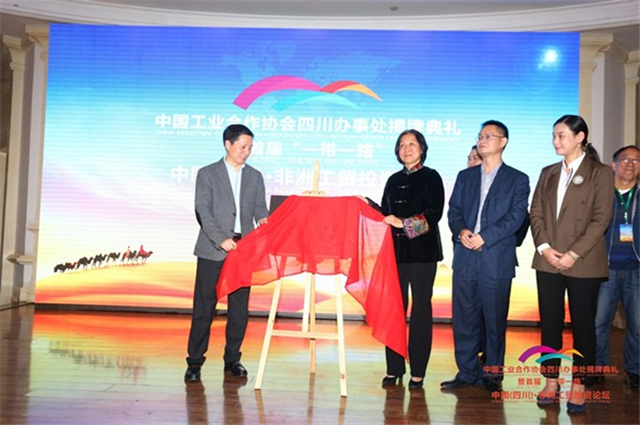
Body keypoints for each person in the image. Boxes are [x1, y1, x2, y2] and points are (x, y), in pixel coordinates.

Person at [530, 115, 614, 414]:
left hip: (584, 261)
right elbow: (536, 212)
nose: (556, 141)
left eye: (562, 135)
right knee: (549, 324)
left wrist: (573, 254)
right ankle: (551, 380)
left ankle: (579, 383)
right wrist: (544, 248)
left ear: (580, 138)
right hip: (548, 260)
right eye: (554, 135)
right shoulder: (548, 172)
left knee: (583, 326)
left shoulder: (600, 173)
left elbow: (601, 219)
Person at [442, 120, 530, 394]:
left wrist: (485, 236)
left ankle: (493, 374)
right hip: (465, 257)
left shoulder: (517, 179)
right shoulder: (465, 176)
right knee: (464, 319)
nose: (482, 140)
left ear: (503, 142)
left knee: (494, 321)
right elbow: (454, 210)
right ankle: (466, 371)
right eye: (480, 136)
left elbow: (517, 216)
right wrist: (462, 231)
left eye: (488, 136)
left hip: (496, 259)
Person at [184, 124, 269, 382]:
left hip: (243, 250)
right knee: (204, 306)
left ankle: (233, 359)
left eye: (250, 148)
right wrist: (221, 238)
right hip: (213, 248)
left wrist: (264, 219)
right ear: (228, 144)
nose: (247, 152)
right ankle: (195, 361)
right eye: (243, 147)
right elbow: (203, 211)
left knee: (239, 309)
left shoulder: (255, 176)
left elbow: (259, 208)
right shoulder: (207, 174)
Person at [371, 129, 445, 390]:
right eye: (402, 145)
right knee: (393, 309)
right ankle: (394, 368)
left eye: (412, 144)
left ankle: (418, 372)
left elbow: (434, 214)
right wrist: (366, 204)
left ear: (422, 148)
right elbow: (385, 213)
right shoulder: (393, 180)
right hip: (395, 254)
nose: (406, 149)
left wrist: (403, 223)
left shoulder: (431, 176)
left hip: (423, 254)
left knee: (421, 309)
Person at [594, 145, 639, 391]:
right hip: (605, 268)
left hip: (637, 270)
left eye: (636, 160)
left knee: (638, 325)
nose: (631, 164)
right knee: (598, 322)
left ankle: (635, 371)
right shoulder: (601, 194)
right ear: (614, 164)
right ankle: (598, 368)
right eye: (625, 159)